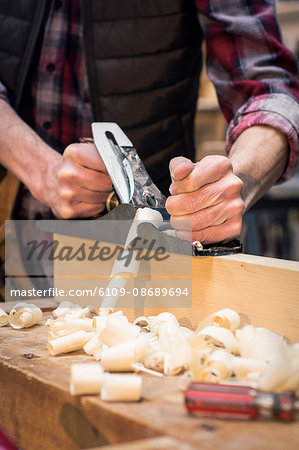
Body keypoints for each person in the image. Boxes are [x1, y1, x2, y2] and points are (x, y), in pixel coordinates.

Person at [0, 0, 298, 244]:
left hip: (149, 249)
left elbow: (270, 89)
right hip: (15, 230)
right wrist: (42, 170)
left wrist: (234, 185)